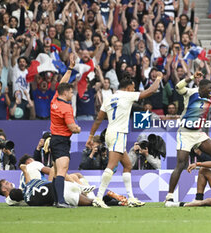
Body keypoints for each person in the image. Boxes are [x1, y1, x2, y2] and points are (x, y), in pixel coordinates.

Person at [85, 71, 164, 208]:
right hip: (118, 134)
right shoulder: (127, 95)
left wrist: (91, 136)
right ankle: (98, 198)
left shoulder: (109, 98)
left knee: (127, 165)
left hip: (110, 132)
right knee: (111, 165)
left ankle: (131, 198)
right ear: (128, 88)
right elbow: (151, 91)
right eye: (133, 88)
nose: (134, 91)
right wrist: (158, 78)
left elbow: (99, 118)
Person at [165, 72, 211, 203]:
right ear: (201, 87)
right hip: (185, 133)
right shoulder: (191, 92)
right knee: (181, 164)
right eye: (209, 88)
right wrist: (192, 77)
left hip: (198, 133)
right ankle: (169, 196)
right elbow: (178, 87)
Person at [49, 54, 81, 208]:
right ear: (65, 93)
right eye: (70, 92)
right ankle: (61, 201)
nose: (72, 93)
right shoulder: (66, 108)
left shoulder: (55, 100)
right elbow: (72, 128)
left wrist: (70, 68)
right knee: (62, 170)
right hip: (61, 141)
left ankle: (57, 200)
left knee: (56, 171)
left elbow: (62, 82)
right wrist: (78, 128)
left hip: (54, 139)